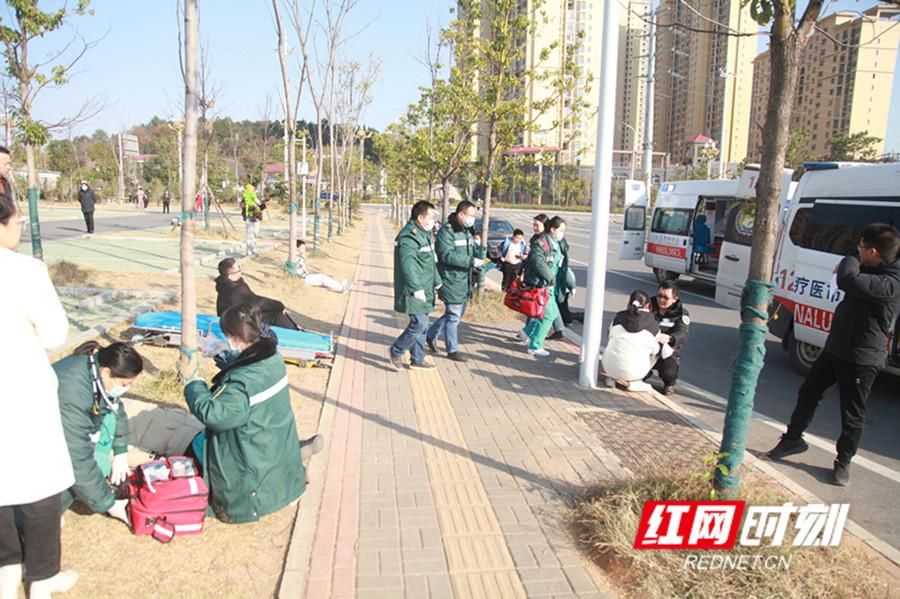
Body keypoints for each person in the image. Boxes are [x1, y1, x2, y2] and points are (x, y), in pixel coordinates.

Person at [0, 144, 79, 599]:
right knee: (39, 489)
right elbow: (53, 334)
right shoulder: (25, 270)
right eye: (17, 219)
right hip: (22, 390)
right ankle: (42, 577)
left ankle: (7, 570)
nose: (20, 225)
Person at [767, 223, 900, 486]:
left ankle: (843, 462)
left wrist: (850, 258)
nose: (858, 252)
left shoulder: (892, 281)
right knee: (809, 393)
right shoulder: (871, 265)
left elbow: (848, 279)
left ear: (874, 251)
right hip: (836, 348)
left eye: (862, 248)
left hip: (862, 358)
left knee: (852, 414)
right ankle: (793, 439)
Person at [180, 303, 307, 523]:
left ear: (236, 337)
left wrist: (193, 382)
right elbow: (248, 365)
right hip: (272, 436)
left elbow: (212, 414)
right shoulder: (273, 358)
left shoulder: (240, 385)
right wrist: (224, 357)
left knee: (196, 445)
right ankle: (297, 454)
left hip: (250, 455)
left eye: (227, 336)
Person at [54, 342, 142, 524]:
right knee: (77, 471)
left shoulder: (94, 369)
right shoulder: (72, 394)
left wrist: (120, 451)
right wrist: (109, 504)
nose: (126, 388)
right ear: (107, 372)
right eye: (124, 384)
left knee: (97, 461)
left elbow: (115, 406)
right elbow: (77, 458)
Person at [425, 200, 481, 362]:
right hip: (451, 279)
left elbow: (470, 251)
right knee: (454, 316)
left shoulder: (466, 230)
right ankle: (452, 349)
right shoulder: (447, 231)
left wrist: (479, 252)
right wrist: (470, 261)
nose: (473, 219)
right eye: (471, 215)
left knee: (455, 314)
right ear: (461, 214)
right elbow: (446, 255)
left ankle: (431, 334)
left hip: (464, 280)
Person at [389, 200, 441, 371]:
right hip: (415, 289)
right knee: (419, 323)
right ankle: (396, 351)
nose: (433, 221)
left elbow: (430, 263)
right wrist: (416, 288)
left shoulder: (423, 234)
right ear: (420, 217)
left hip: (426, 287)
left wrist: (438, 282)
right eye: (431, 217)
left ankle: (417, 358)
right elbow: (408, 265)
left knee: (423, 324)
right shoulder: (409, 236)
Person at [520, 216, 567, 357]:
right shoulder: (541, 243)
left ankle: (526, 332)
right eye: (561, 230)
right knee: (548, 315)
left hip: (549, 285)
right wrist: (550, 279)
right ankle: (535, 346)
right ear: (552, 229)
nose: (562, 233)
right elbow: (538, 262)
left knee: (546, 314)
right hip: (543, 285)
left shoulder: (555, 243)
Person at [601, 291, 662, 392]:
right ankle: (635, 381)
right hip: (636, 371)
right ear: (647, 305)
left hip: (609, 367)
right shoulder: (653, 324)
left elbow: (609, 337)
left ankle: (612, 378)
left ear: (629, 303)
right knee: (657, 349)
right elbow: (655, 350)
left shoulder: (618, 318)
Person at [215, 258, 299, 329]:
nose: (241, 272)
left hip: (239, 319)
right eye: (238, 270)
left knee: (273, 312)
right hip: (239, 325)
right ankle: (298, 337)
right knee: (276, 316)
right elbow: (256, 303)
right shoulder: (235, 290)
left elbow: (254, 300)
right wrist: (278, 305)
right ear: (230, 276)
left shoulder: (225, 286)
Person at [648, 280, 690, 395]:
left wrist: (670, 338)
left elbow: (683, 333)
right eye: (659, 296)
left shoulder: (681, 313)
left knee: (669, 370)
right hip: (648, 347)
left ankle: (669, 384)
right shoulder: (649, 306)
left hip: (667, 350)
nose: (661, 300)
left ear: (674, 298)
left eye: (666, 298)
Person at [241, 184, 261, 255]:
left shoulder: (244, 197)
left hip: (250, 217)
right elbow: (259, 203)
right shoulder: (252, 195)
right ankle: (252, 249)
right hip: (254, 217)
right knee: (253, 234)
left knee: (250, 234)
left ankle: (249, 250)